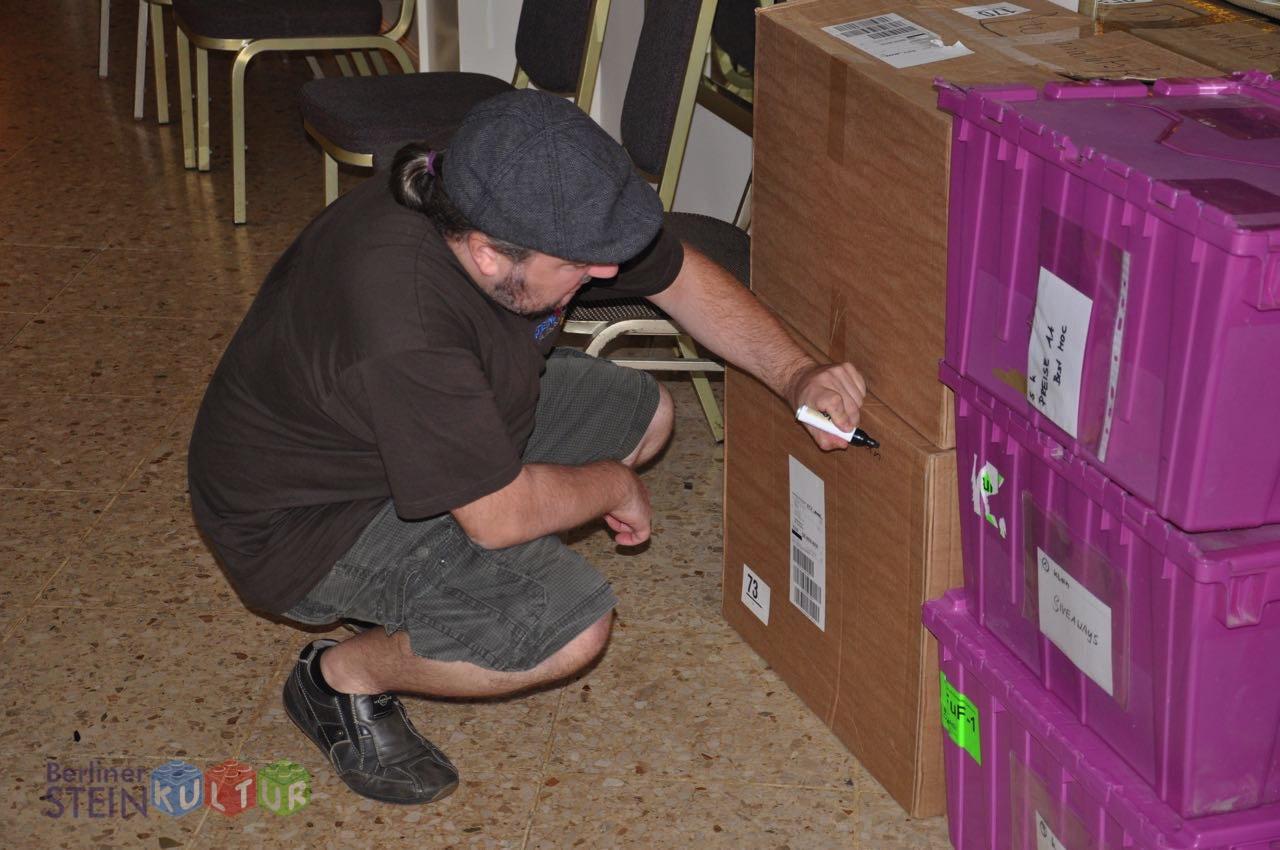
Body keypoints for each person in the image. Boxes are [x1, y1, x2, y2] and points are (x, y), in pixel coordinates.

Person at [187, 89, 865, 806]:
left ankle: (447, 581)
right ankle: (339, 679)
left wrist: (798, 373)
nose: (606, 275)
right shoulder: (405, 322)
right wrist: (613, 486)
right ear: (487, 255)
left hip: (409, 428)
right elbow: (499, 516)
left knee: (644, 414)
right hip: (307, 522)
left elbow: (677, 275)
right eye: (580, 265)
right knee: (568, 629)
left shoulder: (500, 186)